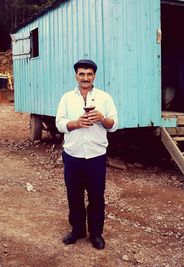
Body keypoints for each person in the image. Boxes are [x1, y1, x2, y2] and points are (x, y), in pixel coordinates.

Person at [56, 59, 118, 250]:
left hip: (96, 156)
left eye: (89, 74)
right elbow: (59, 123)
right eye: (81, 74)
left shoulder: (105, 98)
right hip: (72, 155)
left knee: (97, 196)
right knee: (74, 195)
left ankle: (96, 234)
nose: (85, 78)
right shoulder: (67, 98)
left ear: (94, 76)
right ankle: (77, 230)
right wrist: (75, 123)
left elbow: (114, 125)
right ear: (76, 76)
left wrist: (102, 119)